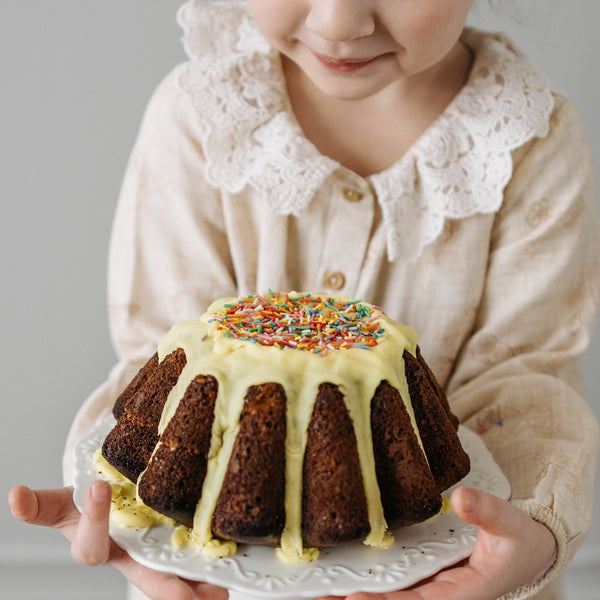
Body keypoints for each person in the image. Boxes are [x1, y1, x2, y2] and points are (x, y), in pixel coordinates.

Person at [8, 0, 600, 599]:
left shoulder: (527, 136)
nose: (339, 22)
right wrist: (118, 508)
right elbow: (164, 364)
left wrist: (535, 532)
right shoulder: (206, 114)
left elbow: (525, 382)